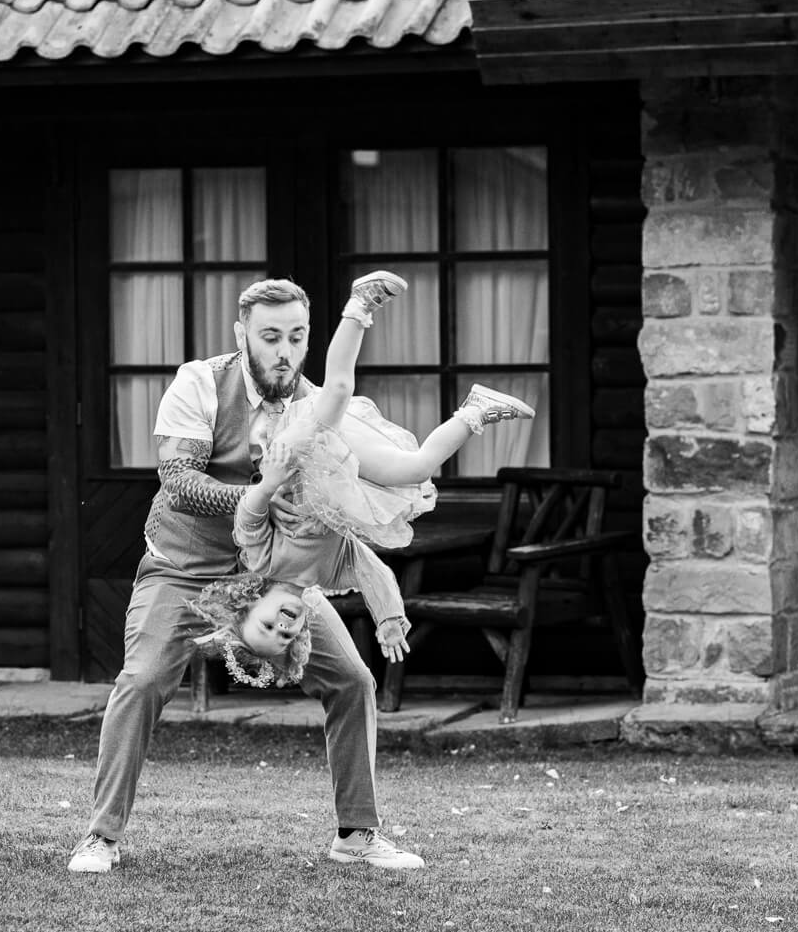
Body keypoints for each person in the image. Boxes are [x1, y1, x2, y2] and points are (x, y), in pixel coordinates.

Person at [66, 274, 523, 876]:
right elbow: (177, 481)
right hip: (185, 569)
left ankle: (356, 833)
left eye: (297, 337)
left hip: (275, 581)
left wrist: (382, 594)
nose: (284, 352)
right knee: (143, 678)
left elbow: (364, 508)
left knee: (353, 681)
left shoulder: (314, 405)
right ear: (242, 335)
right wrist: (256, 496)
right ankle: (101, 837)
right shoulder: (200, 382)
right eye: (270, 337)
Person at [187, 270, 536, 694]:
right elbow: (373, 572)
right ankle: (476, 410)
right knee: (417, 469)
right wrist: (388, 618)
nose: (282, 626)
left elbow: (248, 518)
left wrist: (268, 483)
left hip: (294, 456)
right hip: (336, 469)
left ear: (249, 605)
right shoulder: (330, 575)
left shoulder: (261, 563)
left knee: (336, 390)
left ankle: (360, 304)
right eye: (285, 637)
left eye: (267, 626)